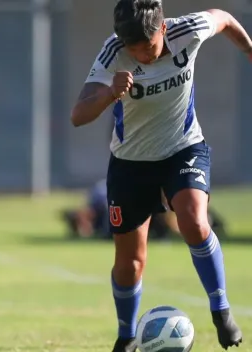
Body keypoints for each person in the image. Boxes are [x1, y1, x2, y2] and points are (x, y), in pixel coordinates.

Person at [71, 1, 252, 351]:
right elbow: (79, 114)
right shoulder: (113, 53)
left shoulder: (188, 30)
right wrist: (109, 93)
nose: (141, 55)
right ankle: (126, 334)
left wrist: (248, 50)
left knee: (194, 220)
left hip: (183, 149)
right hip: (130, 164)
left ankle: (221, 309)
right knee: (130, 262)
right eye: (133, 49)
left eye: (148, 46)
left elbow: (225, 18)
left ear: (164, 29)